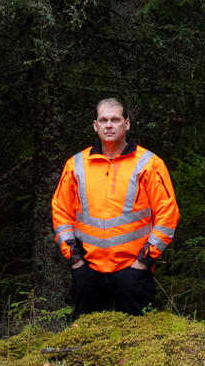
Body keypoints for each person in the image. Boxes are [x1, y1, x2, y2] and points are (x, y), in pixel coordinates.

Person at [51, 97, 179, 317]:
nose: (109, 125)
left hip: (133, 271)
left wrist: (144, 260)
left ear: (126, 124)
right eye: (103, 120)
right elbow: (61, 211)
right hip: (88, 270)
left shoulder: (149, 164)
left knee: (139, 340)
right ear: (95, 125)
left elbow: (168, 215)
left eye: (115, 119)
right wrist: (74, 259)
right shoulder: (76, 165)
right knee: (86, 340)